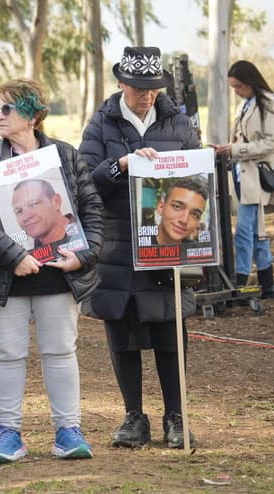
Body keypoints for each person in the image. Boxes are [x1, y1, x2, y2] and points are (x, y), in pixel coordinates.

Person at [0, 78, 103, 464]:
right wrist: (14, 256)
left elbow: (91, 211)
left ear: (34, 115)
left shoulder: (67, 156)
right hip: (3, 277)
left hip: (59, 273)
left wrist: (84, 255)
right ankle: (7, 433)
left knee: (60, 351)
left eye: (7, 108)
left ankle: (68, 431)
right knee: (6, 353)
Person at [79, 46, 201, 449]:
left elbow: (198, 179)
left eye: (153, 88)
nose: (146, 95)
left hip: (168, 245)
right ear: (121, 84)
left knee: (170, 331)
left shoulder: (179, 123)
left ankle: (176, 417)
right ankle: (134, 416)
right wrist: (123, 165)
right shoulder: (100, 125)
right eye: (138, 88)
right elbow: (87, 179)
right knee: (122, 331)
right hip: (117, 243)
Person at [213, 60, 274, 299]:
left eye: (239, 86)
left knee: (243, 231)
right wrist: (228, 149)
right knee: (255, 231)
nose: (236, 92)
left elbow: (273, 142)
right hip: (242, 175)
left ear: (250, 82)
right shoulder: (246, 104)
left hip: (255, 175)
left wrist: (236, 150)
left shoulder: (268, 104)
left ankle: (240, 282)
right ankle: (266, 283)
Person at [11, 178, 75, 249]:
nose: (26, 217)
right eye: (19, 211)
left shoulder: (86, 233)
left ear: (56, 202)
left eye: (33, 204)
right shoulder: (30, 254)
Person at [154, 177, 208, 245]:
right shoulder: (138, 245)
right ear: (161, 207)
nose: (184, 220)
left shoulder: (197, 251)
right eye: (177, 207)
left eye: (194, 214)